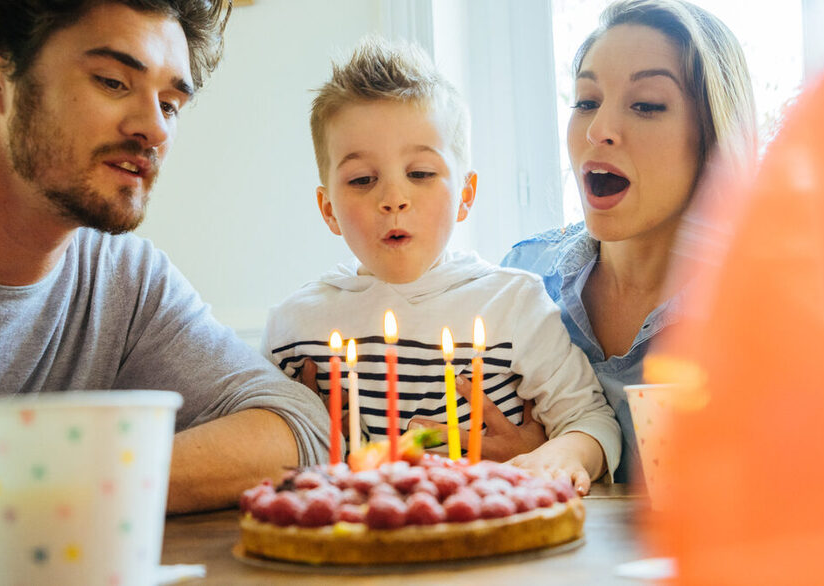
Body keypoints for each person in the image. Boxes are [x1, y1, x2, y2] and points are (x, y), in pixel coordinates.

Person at [0, 0, 330, 513]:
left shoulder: (125, 279)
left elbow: (300, 430)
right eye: (112, 81)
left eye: (170, 104)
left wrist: (45, 490)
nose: (157, 128)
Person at [263, 37, 621, 494]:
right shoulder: (295, 328)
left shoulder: (512, 306)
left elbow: (590, 419)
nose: (393, 198)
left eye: (421, 173)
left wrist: (558, 455)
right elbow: (264, 449)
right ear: (328, 208)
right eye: (362, 179)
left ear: (466, 195)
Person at [501, 0, 758, 482]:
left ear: (710, 137)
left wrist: (568, 456)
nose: (599, 131)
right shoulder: (521, 277)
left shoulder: (764, 308)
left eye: (646, 105)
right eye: (586, 101)